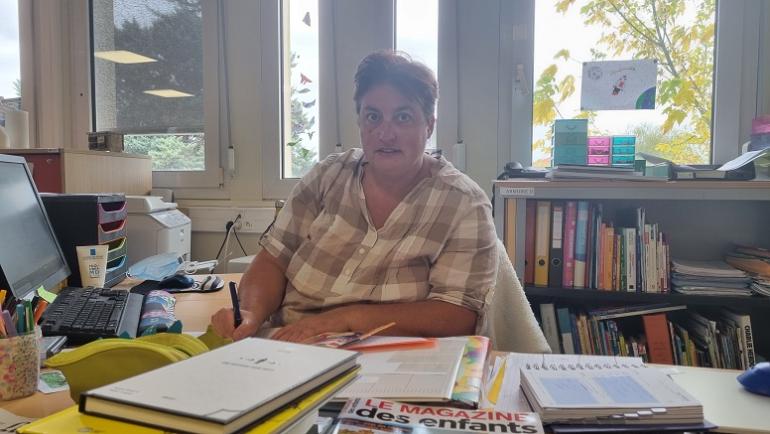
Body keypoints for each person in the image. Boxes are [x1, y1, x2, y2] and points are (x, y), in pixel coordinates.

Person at [211, 50, 498, 342]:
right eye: (373, 116)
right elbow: (273, 259)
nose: (386, 133)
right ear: (359, 121)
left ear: (429, 125)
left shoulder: (464, 204)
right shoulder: (328, 175)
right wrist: (250, 312)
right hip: (288, 343)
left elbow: (458, 316)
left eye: (403, 117)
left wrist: (347, 319)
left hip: (389, 352)